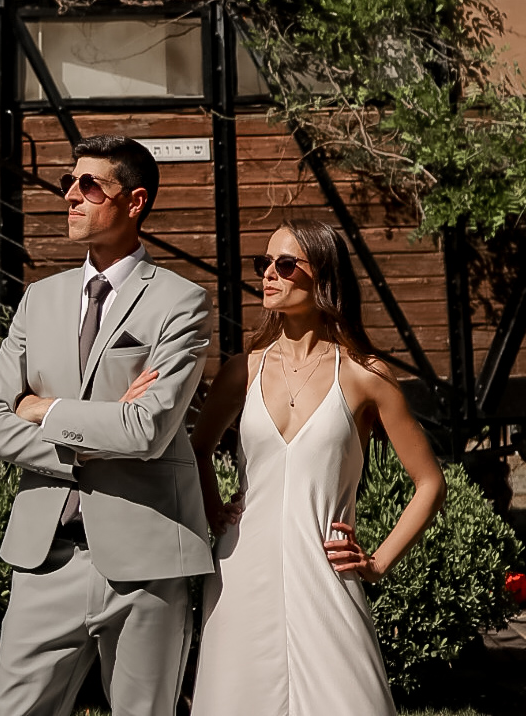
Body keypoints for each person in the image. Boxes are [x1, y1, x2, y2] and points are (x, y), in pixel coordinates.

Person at [0, 134, 214, 716]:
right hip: (45, 559)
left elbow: (147, 431)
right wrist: (92, 438)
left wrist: (45, 410)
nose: (70, 196)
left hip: (147, 561)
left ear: (135, 201)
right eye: (68, 183)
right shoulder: (39, 299)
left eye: (89, 186)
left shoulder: (182, 302)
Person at [190, 219, 446, 716]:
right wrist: (214, 513)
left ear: (323, 275)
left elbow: (430, 483)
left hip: (326, 573)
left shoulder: (365, 376)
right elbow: (198, 448)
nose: (269, 274)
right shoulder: (243, 370)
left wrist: (377, 563)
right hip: (241, 571)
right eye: (264, 263)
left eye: (286, 264)